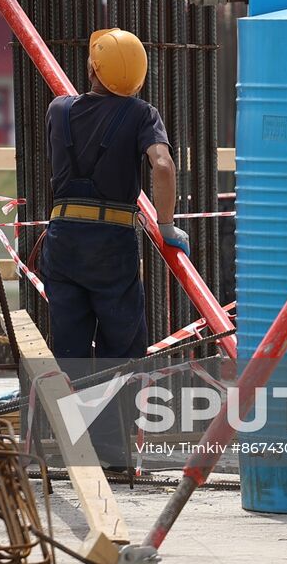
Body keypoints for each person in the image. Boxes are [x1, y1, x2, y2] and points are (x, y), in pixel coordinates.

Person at [40, 28, 189, 362]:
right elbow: (162, 166)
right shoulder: (141, 114)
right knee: (122, 352)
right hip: (111, 246)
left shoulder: (58, 110)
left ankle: (71, 412)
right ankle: (117, 413)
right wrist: (166, 227)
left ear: (93, 69)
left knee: (70, 355)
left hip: (62, 241)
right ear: (138, 79)